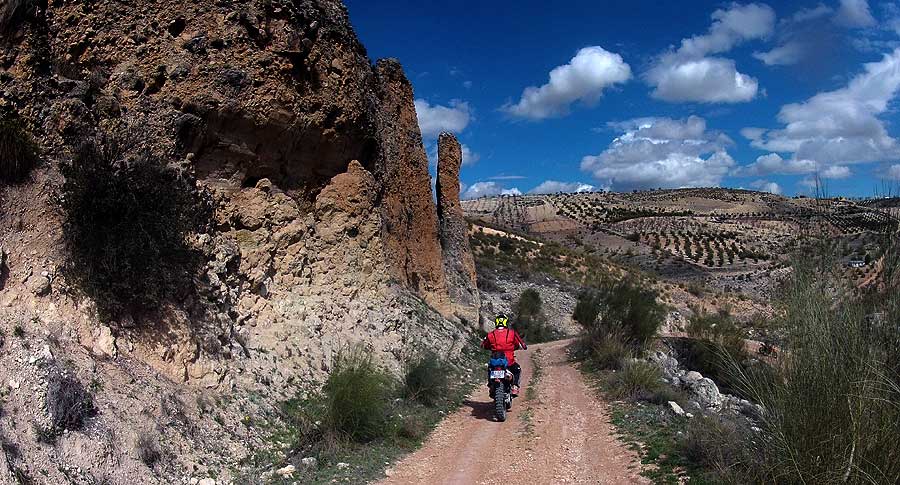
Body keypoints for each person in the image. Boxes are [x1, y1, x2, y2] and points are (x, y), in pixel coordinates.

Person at [481, 313, 527, 396]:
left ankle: (491, 385)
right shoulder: (512, 333)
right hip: (509, 361)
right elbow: (521, 345)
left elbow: (484, 345)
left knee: (490, 368)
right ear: (506, 322)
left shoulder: (491, 334)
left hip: (495, 360)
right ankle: (515, 387)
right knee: (517, 370)